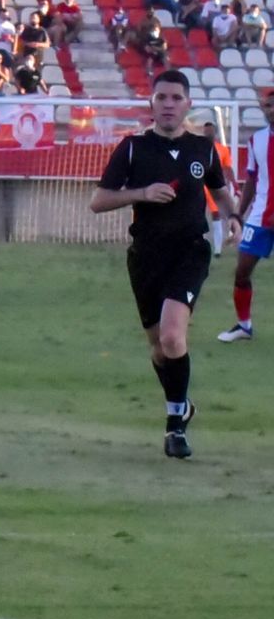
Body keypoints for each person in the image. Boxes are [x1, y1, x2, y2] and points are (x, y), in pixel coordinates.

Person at [89, 70, 236, 459]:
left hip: (189, 250)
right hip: (146, 257)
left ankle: (175, 428)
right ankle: (181, 404)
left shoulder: (203, 149)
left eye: (175, 98)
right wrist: (141, 193)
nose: (168, 104)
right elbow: (99, 200)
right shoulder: (133, 148)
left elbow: (220, 191)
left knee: (173, 336)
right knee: (160, 348)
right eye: (161, 98)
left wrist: (233, 216)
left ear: (187, 103)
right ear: (151, 104)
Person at [219, 89, 274, 343]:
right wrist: (238, 215)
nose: (271, 109)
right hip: (260, 217)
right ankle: (244, 325)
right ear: (262, 108)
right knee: (241, 272)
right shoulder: (256, 140)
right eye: (268, 105)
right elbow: (252, 179)